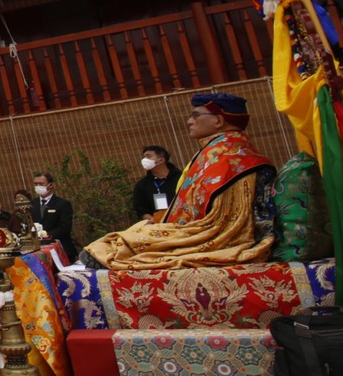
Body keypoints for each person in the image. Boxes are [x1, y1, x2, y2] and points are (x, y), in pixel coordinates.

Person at [83, 92, 275, 269]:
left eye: (195, 115)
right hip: (186, 227)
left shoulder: (231, 158)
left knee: (124, 242)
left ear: (218, 120)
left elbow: (221, 225)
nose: (189, 121)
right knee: (131, 233)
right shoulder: (215, 151)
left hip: (207, 234)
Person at [132, 146, 183, 221]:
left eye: (148, 156)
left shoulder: (182, 178)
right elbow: (140, 209)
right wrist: (152, 219)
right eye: (144, 157)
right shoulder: (142, 185)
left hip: (183, 219)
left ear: (161, 160)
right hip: (158, 224)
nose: (144, 160)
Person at [30, 173, 75, 247]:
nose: (38, 186)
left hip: (59, 245)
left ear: (50, 185)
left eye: (41, 184)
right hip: (38, 247)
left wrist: (46, 235)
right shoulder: (32, 204)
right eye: (36, 184)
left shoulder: (62, 204)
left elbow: (65, 227)